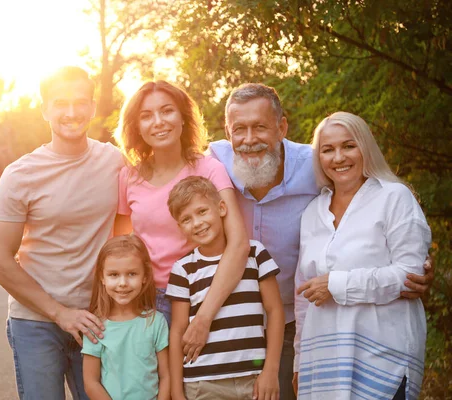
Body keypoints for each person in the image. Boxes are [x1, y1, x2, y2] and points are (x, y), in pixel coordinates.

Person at [208, 83, 435, 399]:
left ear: (282, 127)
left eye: (260, 126)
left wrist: (412, 265)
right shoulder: (214, 164)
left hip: (311, 333)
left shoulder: (336, 174)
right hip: (238, 322)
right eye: (239, 129)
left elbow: (405, 268)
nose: (249, 139)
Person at [0, 66, 124, 400]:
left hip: (96, 322)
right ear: (45, 108)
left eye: (81, 103)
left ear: (93, 108)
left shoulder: (114, 161)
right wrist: (60, 313)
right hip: (36, 322)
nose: (72, 112)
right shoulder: (20, 175)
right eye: (60, 103)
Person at [293, 112, 431, 399]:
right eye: (327, 150)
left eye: (348, 146)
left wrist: (336, 284)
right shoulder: (311, 213)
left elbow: (410, 276)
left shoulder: (394, 197)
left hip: (383, 359)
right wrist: (299, 362)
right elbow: (303, 298)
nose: (339, 157)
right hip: (324, 364)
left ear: (365, 147)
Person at [113, 80, 249, 363]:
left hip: (202, 295)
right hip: (147, 301)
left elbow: (238, 243)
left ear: (183, 118)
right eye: (146, 115)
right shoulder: (128, 177)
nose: (158, 122)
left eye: (167, 111)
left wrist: (203, 318)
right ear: (136, 126)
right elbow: (122, 249)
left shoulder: (209, 169)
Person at [165, 176, 284, 400]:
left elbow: (275, 311)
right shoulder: (183, 269)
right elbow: (178, 330)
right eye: (187, 219)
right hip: (203, 384)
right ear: (180, 227)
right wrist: (177, 392)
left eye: (202, 211)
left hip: (254, 379)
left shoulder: (255, 254)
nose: (197, 222)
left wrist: (270, 370)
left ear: (221, 208)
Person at [82, 235, 170, 400]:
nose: (123, 283)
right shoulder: (95, 326)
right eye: (114, 275)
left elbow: (165, 376)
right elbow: (91, 382)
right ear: (102, 277)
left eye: (131, 274)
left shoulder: (156, 322)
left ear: (145, 276)